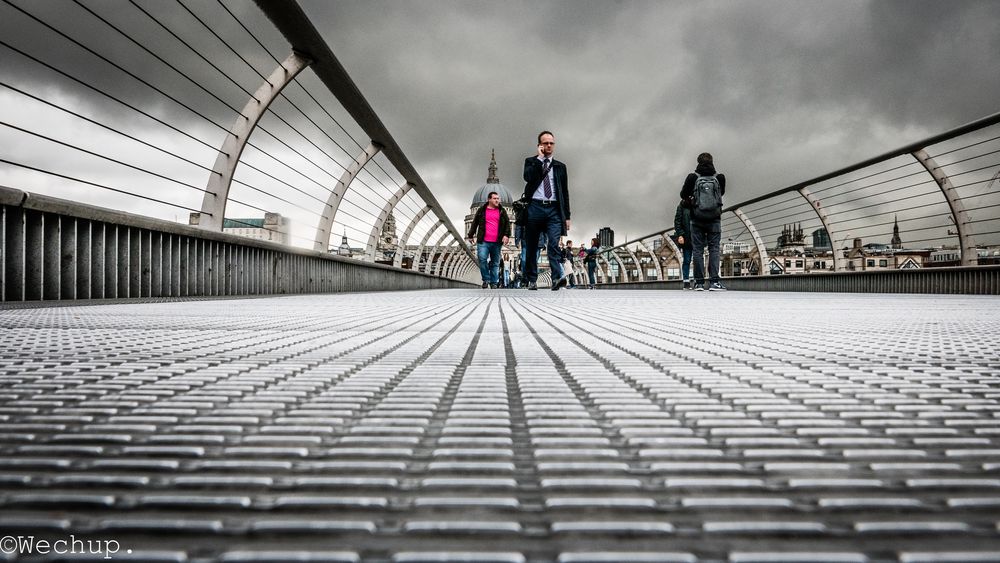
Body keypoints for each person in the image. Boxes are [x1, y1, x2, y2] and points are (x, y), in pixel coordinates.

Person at [523, 131, 571, 291]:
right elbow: (528, 177)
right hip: (535, 207)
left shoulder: (560, 166)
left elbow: (564, 192)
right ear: (540, 145)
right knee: (531, 247)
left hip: (554, 209)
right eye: (545, 143)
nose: (549, 145)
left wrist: (567, 216)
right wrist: (539, 160)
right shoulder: (530, 162)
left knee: (554, 244)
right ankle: (532, 280)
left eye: (551, 143)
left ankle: (558, 277)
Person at [680, 152, 726, 291]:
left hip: (697, 218)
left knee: (698, 250)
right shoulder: (719, 177)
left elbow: (683, 194)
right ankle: (714, 282)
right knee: (714, 249)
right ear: (712, 161)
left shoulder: (693, 177)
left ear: (698, 162)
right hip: (714, 218)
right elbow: (721, 194)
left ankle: (699, 283)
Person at [467, 191, 511, 289]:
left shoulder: (502, 211)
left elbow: (507, 224)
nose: (497, 200)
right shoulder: (482, 210)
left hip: (497, 241)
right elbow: (475, 223)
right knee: (482, 259)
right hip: (483, 241)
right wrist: (470, 235)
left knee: (495, 262)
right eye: (495, 198)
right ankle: (486, 279)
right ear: (489, 199)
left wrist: (506, 235)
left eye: (498, 198)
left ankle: (494, 282)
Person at [672, 199, 694, 289]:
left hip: (698, 237)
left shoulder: (699, 202)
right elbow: (677, 221)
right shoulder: (681, 206)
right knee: (687, 260)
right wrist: (680, 235)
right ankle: (686, 281)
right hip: (686, 238)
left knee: (698, 259)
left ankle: (698, 280)